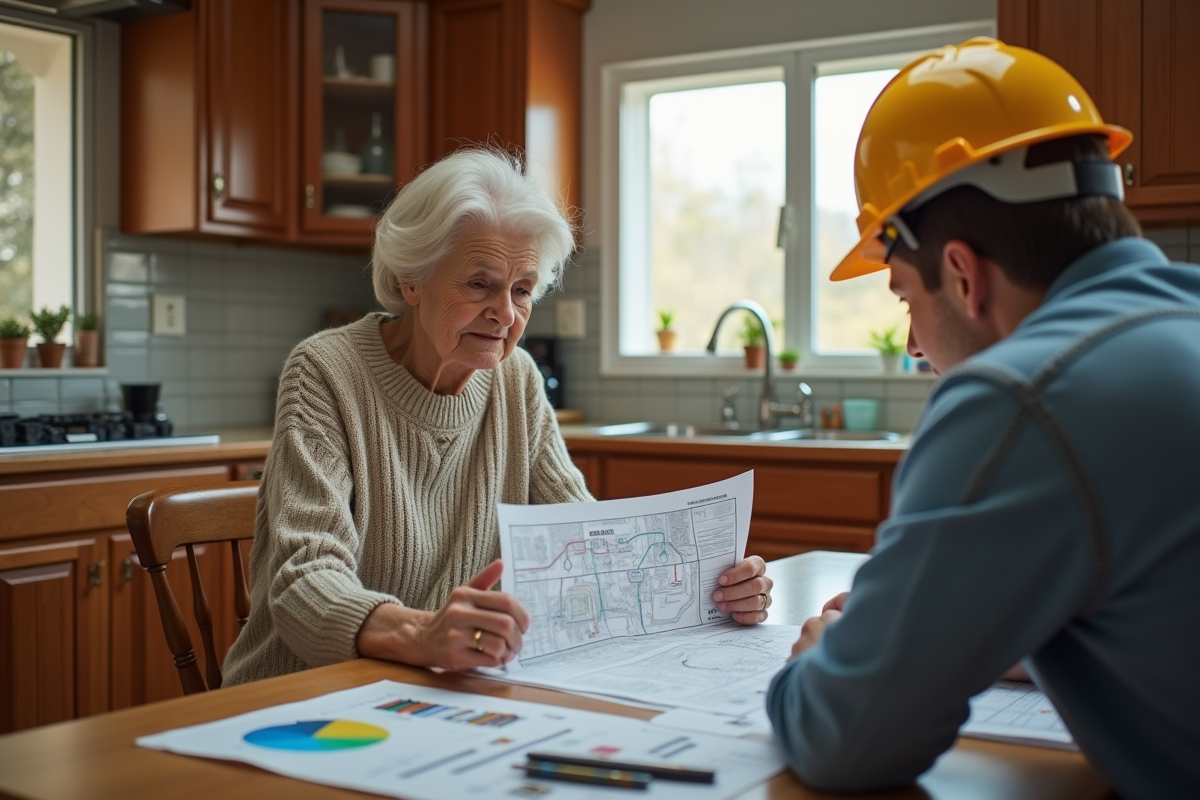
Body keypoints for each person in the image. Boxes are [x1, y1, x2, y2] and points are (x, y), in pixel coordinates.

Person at [766, 38, 1200, 799]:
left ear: (962, 275)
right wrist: (1009, 636)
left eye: (905, 296)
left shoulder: (1023, 395)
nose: (915, 347)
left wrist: (817, 663)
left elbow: (848, 739)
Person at [223, 149, 773, 686]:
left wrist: (717, 592)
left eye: (522, 289)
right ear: (411, 279)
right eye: (479, 284)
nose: (505, 313)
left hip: (440, 686)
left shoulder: (517, 380)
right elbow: (303, 581)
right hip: (307, 694)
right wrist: (421, 633)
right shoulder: (326, 371)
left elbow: (587, 544)